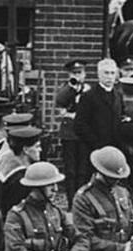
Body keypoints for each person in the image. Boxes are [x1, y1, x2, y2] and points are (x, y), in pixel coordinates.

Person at [74, 58, 125, 173]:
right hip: (94, 150)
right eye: (106, 73)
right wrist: (96, 144)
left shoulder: (118, 95)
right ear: (99, 74)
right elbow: (79, 125)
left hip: (114, 149)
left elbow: (121, 117)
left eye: (112, 73)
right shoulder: (89, 96)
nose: (109, 77)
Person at [55, 60, 89, 201]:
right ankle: (71, 200)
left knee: (82, 169)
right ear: (69, 74)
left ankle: (80, 200)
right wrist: (71, 88)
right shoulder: (65, 89)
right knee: (70, 169)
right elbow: (60, 106)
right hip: (69, 133)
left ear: (85, 74)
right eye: (74, 73)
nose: (77, 76)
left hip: (84, 134)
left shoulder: (87, 89)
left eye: (80, 73)